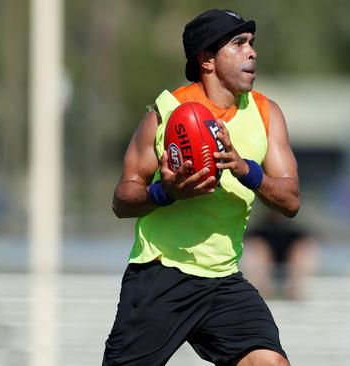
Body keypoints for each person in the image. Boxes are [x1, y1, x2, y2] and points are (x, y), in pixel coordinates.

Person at [104, 9, 299, 366]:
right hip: (160, 276)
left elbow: (290, 200)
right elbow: (121, 199)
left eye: (252, 43)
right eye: (239, 44)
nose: (252, 52)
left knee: (271, 363)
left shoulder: (266, 114)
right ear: (207, 59)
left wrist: (247, 171)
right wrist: (165, 193)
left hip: (224, 281)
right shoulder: (166, 114)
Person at [243, 212, 318, 300]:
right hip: (265, 262)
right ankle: (262, 293)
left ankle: (294, 292)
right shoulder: (260, 232)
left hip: (290, 257)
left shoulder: (296, 233)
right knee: (257, 246)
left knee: (302, 248)